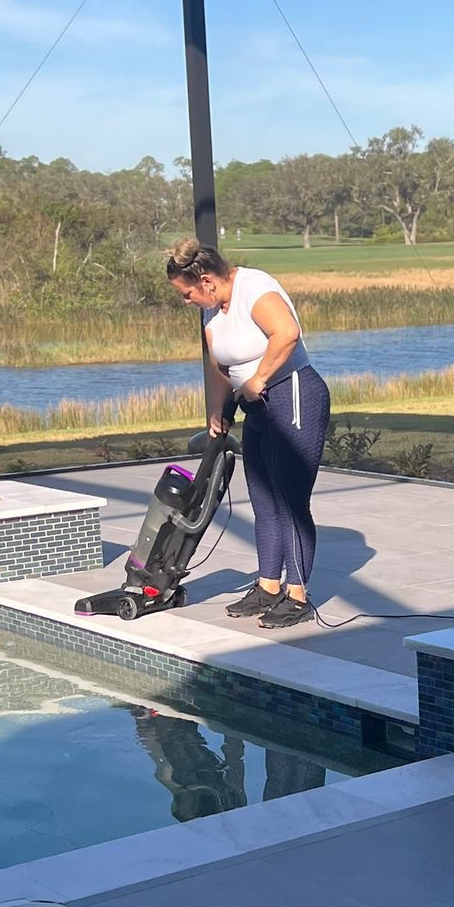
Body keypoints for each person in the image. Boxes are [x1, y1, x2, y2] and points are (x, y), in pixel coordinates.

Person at [165, 237, 331, 629]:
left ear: (206, 281)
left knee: (290, 500)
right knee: (263, 499)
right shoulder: (211, 310)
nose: (185, 301)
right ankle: (268, 585)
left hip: (293, 395)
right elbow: (218, 365)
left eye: (186, 293)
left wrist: (259, 377)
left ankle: (298, 594)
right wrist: (217, 410)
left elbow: (287, 333)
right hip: (253, 403)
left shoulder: (254, 287)